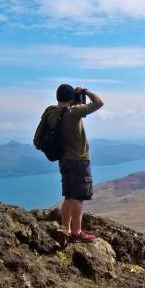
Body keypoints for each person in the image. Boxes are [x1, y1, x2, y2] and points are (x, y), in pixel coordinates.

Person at [33, 84, 104, 242]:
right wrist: (86, 92)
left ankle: (65, 229)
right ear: (71, 98)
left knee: (68, 196)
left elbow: (63, 111)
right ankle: (76, 232)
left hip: (63, 159)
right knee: (78, 197)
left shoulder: (50, 112)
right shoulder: (74, 113)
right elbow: (99, 102)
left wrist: (73, 98)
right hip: (79, 160)